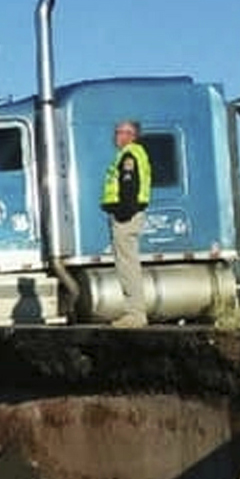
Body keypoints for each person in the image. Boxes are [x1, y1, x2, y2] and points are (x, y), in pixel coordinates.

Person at [101, 118, 153, 328]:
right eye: (116, 132)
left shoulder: (130, 155)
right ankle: (134, 312)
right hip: (128, 214)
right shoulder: (133, 154)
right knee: (127, 263)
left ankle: (135, 314)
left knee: (127, 265)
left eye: (121, 132)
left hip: (126, 216)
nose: (117, 136)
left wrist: (124, 212)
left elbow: (129, 185)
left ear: (132, 135)